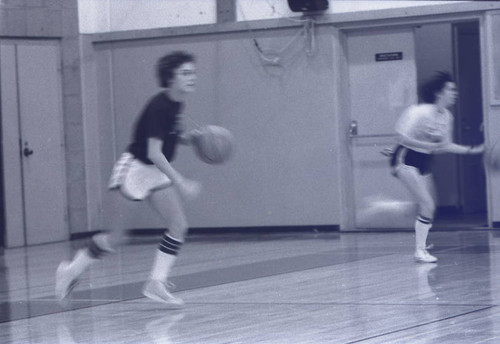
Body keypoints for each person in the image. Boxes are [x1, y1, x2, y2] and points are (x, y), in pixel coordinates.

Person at [56, 51, 201, 308]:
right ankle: (71, 270)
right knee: (116, 238)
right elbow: (154, 153)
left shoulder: (177, 102)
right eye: (185, 73)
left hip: (154, 172)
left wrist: (189, 139)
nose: (192, 77)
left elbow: (167, 136)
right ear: (171, 77)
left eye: (193, 72)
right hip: (134, 169)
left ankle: (156, 283)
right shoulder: (159, 106)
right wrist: (181, 182)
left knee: (178, 225)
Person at [390, 71, 484, 263]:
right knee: (427, 205)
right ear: (439, 92)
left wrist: (474, 150)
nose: (455, 92)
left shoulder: (446, 116)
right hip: (405, 157)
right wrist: (430, 146)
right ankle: (420, 251)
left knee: (427, 205)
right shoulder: (419, 112)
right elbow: (402, 137)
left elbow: (445, 145)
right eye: (451, 89)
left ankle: (388, 207)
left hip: (424, 161)